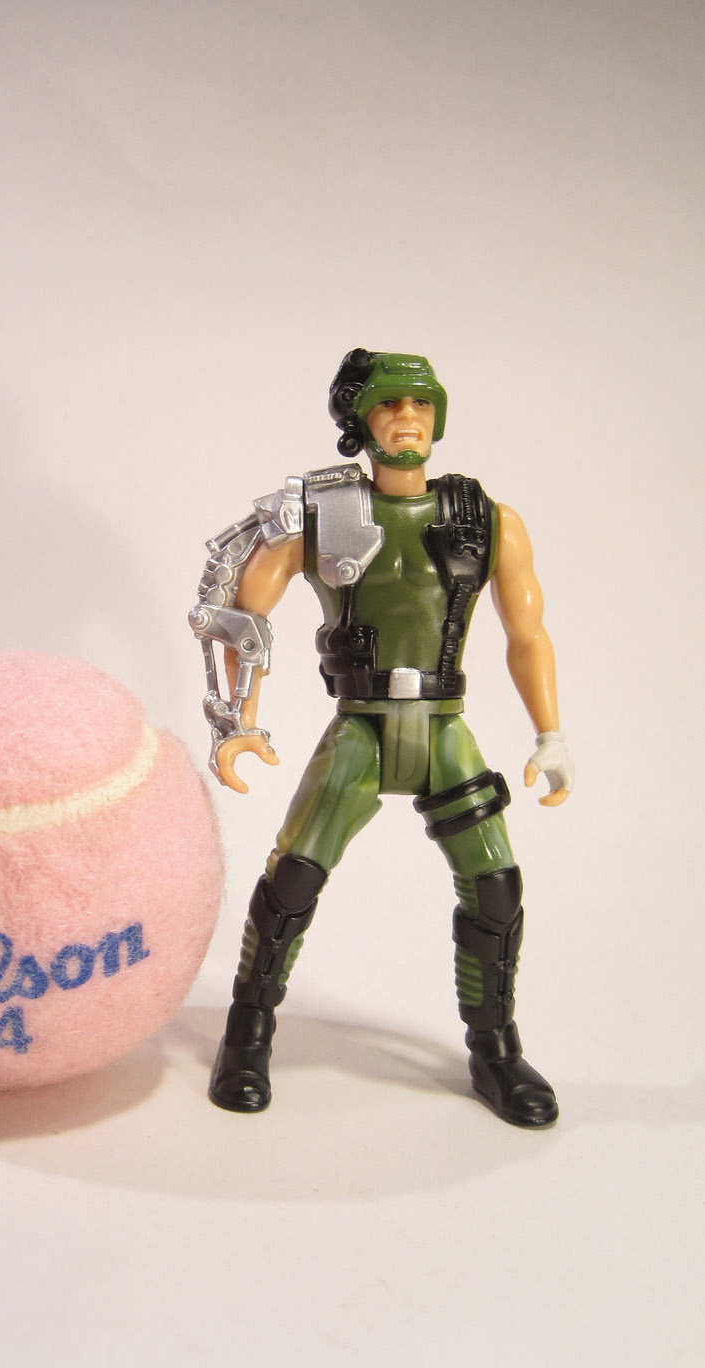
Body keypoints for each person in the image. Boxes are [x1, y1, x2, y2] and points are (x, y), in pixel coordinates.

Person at [189, 348, 573, 1127]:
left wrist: (551, 732)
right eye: (389, 406)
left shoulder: (488, 521)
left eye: (421, 405)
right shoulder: (325, 517)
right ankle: (248, 1030)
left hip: (442, 729)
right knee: (294, 880)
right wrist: (237, 720)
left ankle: (494, 1048)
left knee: (496, 888)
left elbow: (527, 635)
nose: (407, 419)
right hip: (359, 731)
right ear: (359, 424)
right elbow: (243, 618)